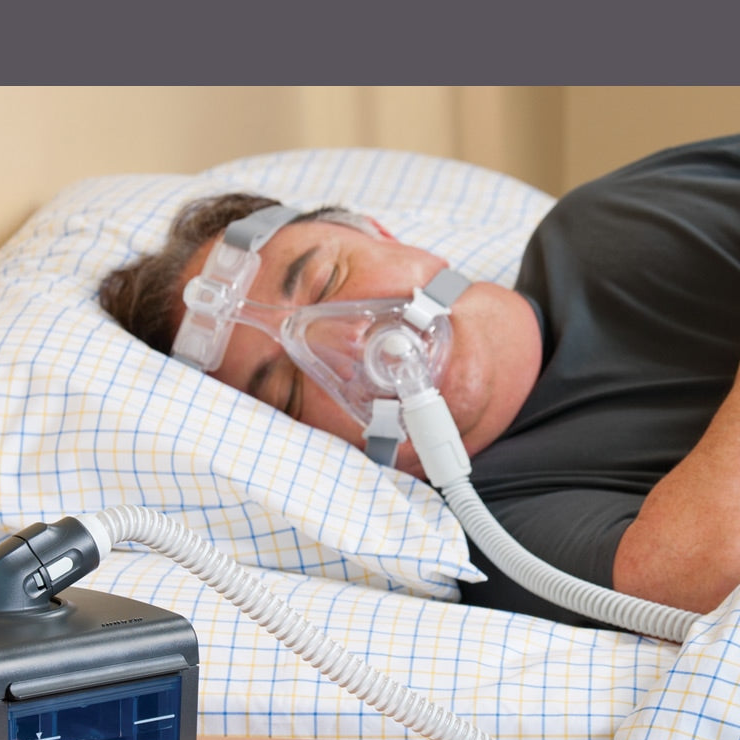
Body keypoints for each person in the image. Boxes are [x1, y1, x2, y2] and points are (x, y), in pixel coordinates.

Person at [98, 134, 740, 626]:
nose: (348, 340)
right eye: (289, 386)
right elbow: (691, 573)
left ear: (383, 235)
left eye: (327, 281)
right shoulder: (493, 535)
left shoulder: (613, 230)